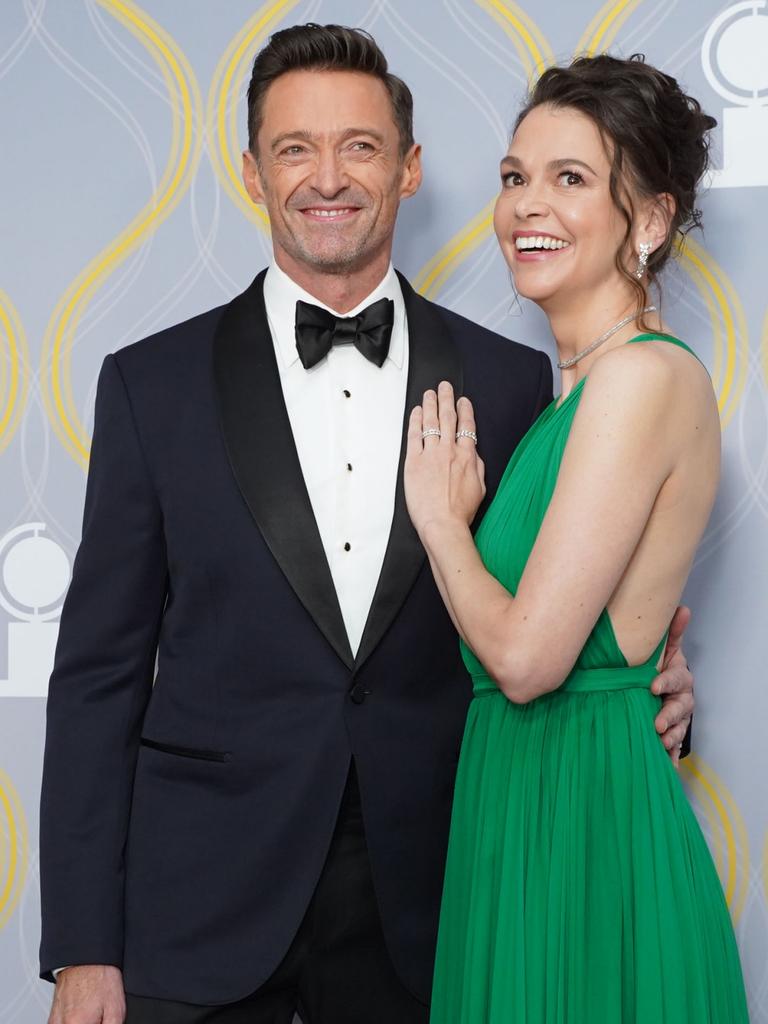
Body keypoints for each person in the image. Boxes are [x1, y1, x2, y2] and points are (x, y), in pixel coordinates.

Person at [40, 28, 694, 1024]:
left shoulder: (518, 381)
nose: (328, 177)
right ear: (253, 173)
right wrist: (83, 945)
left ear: (410, 168)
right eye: (295, 148)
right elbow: (98, 677)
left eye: (360, 145)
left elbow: (568, 602)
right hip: (199, 916)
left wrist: (651, 684)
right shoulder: (150, 384)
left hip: (440, 905)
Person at [404, 53, 748, 1022]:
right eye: (515, 177)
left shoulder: (641, 379)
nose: (525, 206)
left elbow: (523, 658)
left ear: (648, 220)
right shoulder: (574, 396)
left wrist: (441, 523)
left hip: (584, 827)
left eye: (570, 179)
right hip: (526, 809)